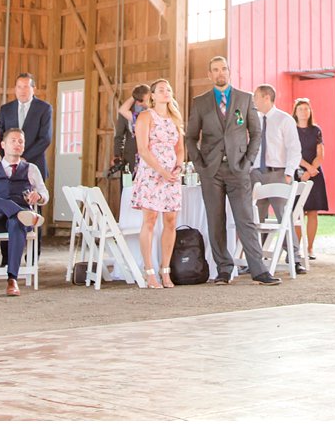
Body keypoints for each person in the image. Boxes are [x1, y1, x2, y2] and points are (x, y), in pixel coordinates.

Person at [184, 57, 279, 285]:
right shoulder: (201, 102)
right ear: (209, 74)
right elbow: (190, 137)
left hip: (238, 169)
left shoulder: (245, 99)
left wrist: (247, 162)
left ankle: (259, 270)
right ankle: (223, 270)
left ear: (230, 71)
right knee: (216, 221)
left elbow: (256, 133)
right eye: (215, 69)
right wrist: (200, 165)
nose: (220, 73)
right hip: (211, 171)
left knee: (245, 219)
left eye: (224, 69)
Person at [0, 127, 47, 296]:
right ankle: (17, 211)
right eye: (13, 140)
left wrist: (38, 196)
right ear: (3, 145)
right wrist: (13, 209)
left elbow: (45, 195)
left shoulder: (32, 169)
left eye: (21, 141)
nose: (17, 144)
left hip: (20, 222)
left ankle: (12, 279)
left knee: (16, 222)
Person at [130, 79, 185, 290]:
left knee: (170, 221)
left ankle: (166, 269)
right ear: (152, 95)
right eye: (161, 90)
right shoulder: (146, 116)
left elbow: (180, 148)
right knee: (150, 220)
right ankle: (149, 271)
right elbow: (142, 149)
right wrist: (161, 171)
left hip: (171, 174)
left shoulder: (174, 118)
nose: (166, 93)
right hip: (152, 173)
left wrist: (178, 167)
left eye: (168, 90)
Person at [251, 85, 302, 267]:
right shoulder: (254, 120)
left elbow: (294, 148)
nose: (253, 100)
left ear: (266, 97)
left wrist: (289, 173)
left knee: (283, 215)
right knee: (256, 217)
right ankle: (256, 258)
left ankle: (294, 257)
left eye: (256, 97)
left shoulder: (284, 119)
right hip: (256, 174)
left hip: (277, 173)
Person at [0, 74, 52, 179]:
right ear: (15, 89)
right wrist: (8, 157)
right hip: (9, 165)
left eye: (26, 87)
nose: (22, 90)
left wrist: (23, 157)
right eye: (19, 87)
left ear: (33, 89)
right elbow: (0, 136)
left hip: (34, 163)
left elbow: (45, 139)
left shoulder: (44, 108)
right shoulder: (5, 109)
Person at [293, 99, 329, 260]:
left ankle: (310, 248)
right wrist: (306, 169)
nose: (303, 112)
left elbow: (320, 153)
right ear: (295, 112)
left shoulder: (316, 130)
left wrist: (312, 169)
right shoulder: (292, 130)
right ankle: (296, 249)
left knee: (313, 212)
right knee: (297, 212)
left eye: (306, 109)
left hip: (314, 174)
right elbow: (292, 152)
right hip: (298, 172)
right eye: (300, 109)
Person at [113, 83, 151, 175]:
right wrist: (117, 155)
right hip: (131, 154)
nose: (140, 103)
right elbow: (119, 135)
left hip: (151, 153)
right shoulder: (130, 112)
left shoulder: (153, 112)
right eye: (138, 100)